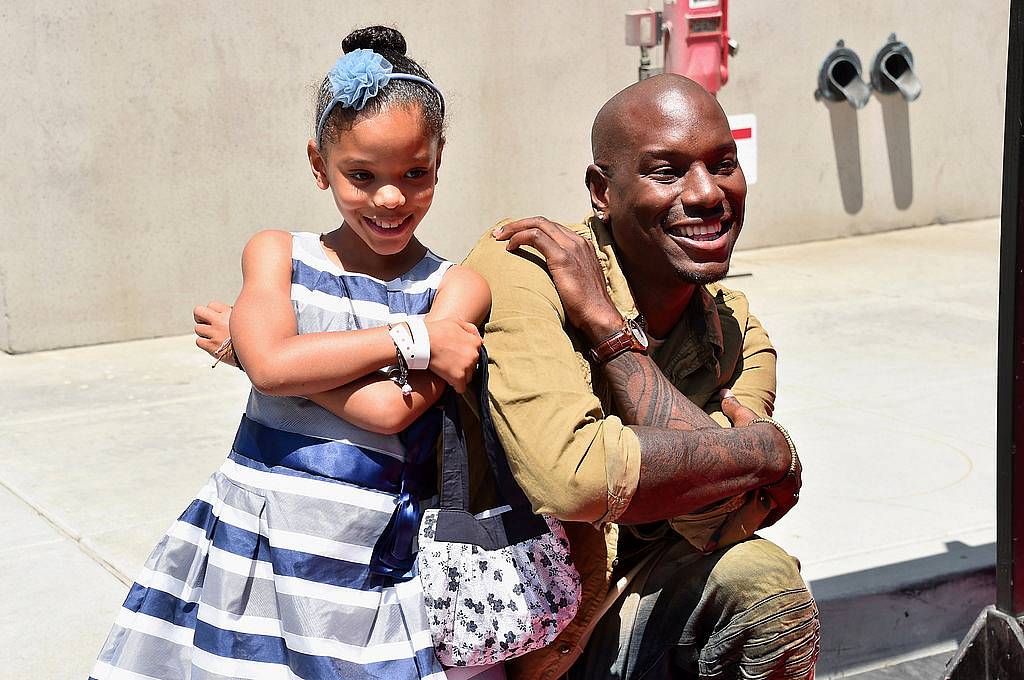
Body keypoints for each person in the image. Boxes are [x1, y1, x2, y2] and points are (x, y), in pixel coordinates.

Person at [196, 75, 820, 679]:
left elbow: (716, 514)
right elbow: (573, 479)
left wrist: (606, 327)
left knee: (763, 587)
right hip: (533, 623)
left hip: (636, 593)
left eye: (723, 164)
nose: (708, 192)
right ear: (600, 191)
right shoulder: (527, 267)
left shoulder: (732, 329)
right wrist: (763, 449)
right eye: (667, 171)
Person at [90, 26, 498, 680]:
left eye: (414, 173)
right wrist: (410, 338)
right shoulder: (277, 253)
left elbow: (388, 411)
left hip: (363, 566)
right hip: (250, 550)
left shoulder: (456, 288)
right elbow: (275, 367)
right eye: (361, 175)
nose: (390, 198)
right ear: (318, 164)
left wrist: (261, 359)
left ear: (439, 157)